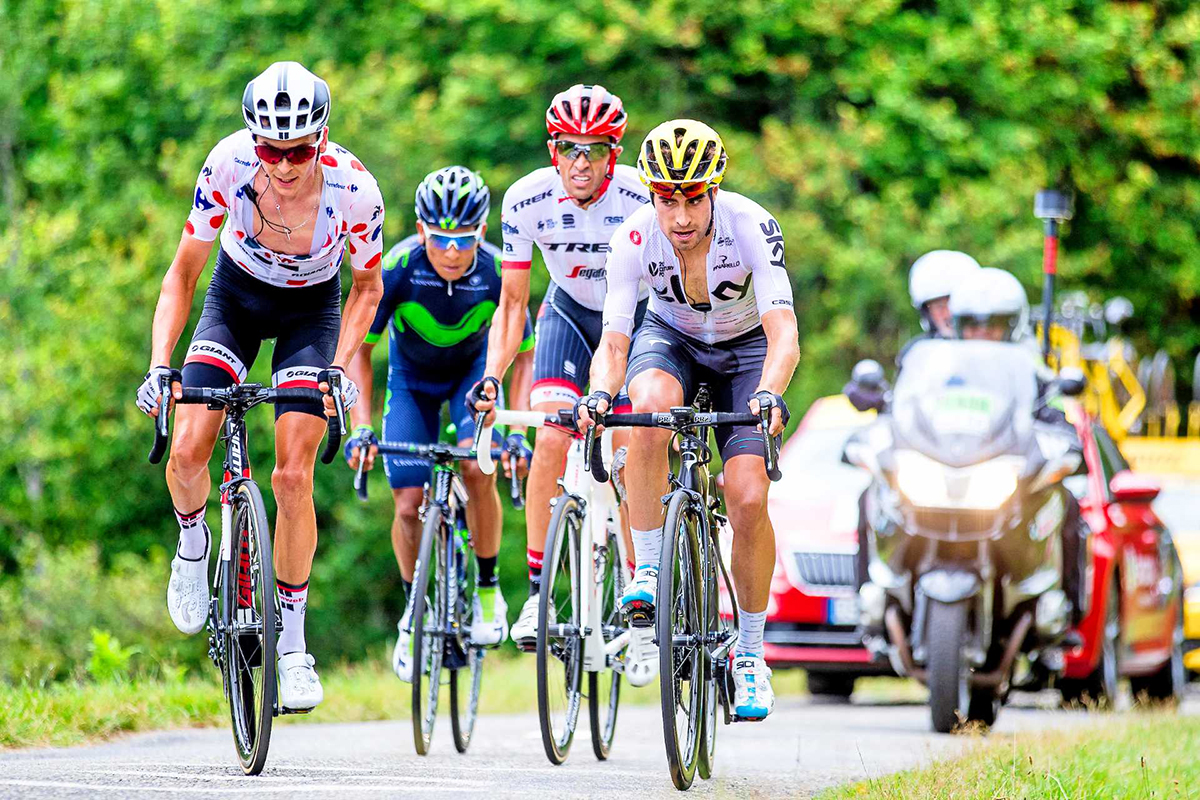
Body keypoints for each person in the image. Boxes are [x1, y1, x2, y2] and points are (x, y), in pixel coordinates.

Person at [134, 62, 385, 711]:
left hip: (311, 310)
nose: (284, 163)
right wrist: (162, 365)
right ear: (254, 141)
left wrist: (339, 366)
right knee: (188, 446)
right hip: (236, 299)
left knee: (291, 477)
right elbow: (181, 277)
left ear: (321, 140)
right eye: (272, 149)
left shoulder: (355, 191)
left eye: (299, 149)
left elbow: (367, 289)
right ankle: (193, 548)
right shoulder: (226, 167)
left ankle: (294, 646)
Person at [576, 119, 800, 720]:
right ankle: (647, 565)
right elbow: (615, 342)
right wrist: (600, 396)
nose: (680, 216)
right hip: (670, 340)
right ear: (650, 195)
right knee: (643, 407)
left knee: (748, 496)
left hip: (745, 351)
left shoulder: (751, 226)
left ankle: (750, 656)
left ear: (714, 192)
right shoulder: (632, 239)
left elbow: (784, 337)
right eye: (666, 198)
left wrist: (771, 394)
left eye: (692, 198)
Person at [467, 85, 657, 684]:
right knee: (550, 434)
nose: (581, 162)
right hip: (569, 315)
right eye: (570, 149)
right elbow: (513, 303)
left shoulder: (640, 198)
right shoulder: (526, 201)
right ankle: (539, 593)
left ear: (614, 153)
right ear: (554, 152)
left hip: (636, 320)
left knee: (630, 457)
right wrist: (493, 377)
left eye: (595, 150)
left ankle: (640, 598)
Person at [343, 166, 533, 681]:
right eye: (441, 238)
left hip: (472, 382)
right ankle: (412, 616)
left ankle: (490, 591)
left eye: (465, 239)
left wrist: (516, 435)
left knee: (479, 471)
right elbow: (359, 352)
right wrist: (361, 423)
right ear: (423, 229)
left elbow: (524, 355)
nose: (452, 251)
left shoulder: (496, 271)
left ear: (483, 232)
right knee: (407, 505)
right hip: (413, 386)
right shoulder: (399, 267)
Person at [949, 267, 1087, 622]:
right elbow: (912, 410)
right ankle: (870, 600)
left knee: (1066, 501)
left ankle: (1067, 609)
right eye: (973, 325)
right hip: (947, 475)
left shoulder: (1030, 367)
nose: (982, 334)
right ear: (959, 326)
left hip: (1009, 478)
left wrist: (1064, 440)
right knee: (876, 496)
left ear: (1011, 325)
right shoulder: (943, 366)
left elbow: (1054, 410)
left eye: (992, 326)